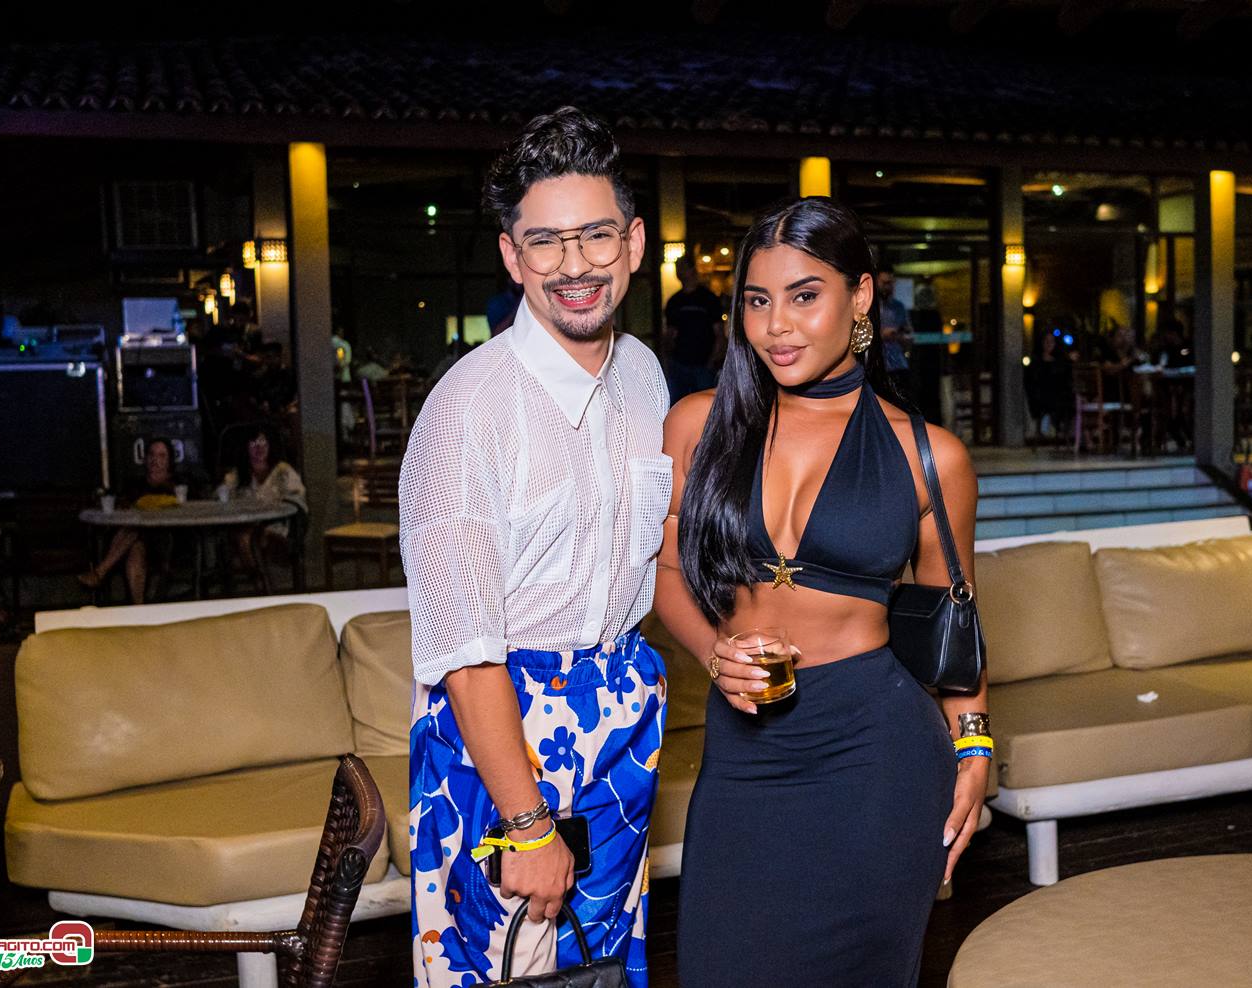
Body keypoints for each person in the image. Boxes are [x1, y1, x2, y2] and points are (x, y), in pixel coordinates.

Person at [655, 197, 989, 987]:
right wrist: (716, 653)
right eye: (757, 301)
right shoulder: (698, 425)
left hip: (878, 755)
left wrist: (975, 749)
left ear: (861, 295)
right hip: (744, 753)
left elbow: (956, 624)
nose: (777, 326)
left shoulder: (930, 456)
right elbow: (666, 574)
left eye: (804, 296)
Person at [402, 107, 670, 987]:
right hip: (504, 728)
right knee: (497, 966)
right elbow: (465, 651)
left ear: (634, 243)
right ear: (512, 258)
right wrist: (525, 823)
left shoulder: (646, 377)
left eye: (596, 235)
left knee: (605, 964)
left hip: (623, 715)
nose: (575, 265)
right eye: (545, 242)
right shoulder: (466, 410)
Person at [78, 437, 178, 604]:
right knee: (136, 547)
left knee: (134, 529)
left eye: (162, 456)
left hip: (166, 541)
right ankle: (138, 608)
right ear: (145, 458)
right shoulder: (135, 485)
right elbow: (121, 505)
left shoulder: (178, 484)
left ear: (169, 461)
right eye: (152, 455)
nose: (155, 460)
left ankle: (100, 572)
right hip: (137, 541)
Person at [219, 426, 305, 578]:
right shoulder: (238, 475)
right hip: (247, 526)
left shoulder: (282, 471)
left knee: (248, 539)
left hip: (277, 529)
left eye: (263, 442)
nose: (259, 447)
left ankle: (260, 581)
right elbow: (223, 496)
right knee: (241, 536)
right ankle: (261, 582)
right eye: (254, 443)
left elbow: (298, 500)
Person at [662, 255, 724, 403]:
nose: (679, 272)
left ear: (692, 270)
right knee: (676, 404)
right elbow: (670, 333)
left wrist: (712, 361)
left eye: (683, 267)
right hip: (679, 363)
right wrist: (667, 358)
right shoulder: (675, 301)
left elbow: (719, 333)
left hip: (703, 363)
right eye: (678, 268)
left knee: (705, 405)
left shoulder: (709, 299)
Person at [876, 266, 913, 400]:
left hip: (897, 364)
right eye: (884, 283)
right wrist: (882, 335)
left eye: (891, 283)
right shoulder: (869, 306)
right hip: (877, 365)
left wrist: (900, 336)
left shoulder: (898, 307)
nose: (888, 287)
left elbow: (909, 334)